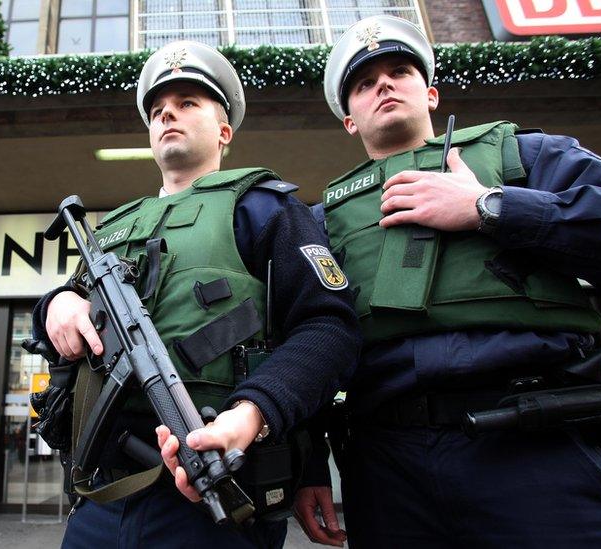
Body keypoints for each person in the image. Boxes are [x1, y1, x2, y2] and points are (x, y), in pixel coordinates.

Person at [305, 15, 601, 548]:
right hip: (387, 468)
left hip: (534, 445)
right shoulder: (322, 219)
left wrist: (492, 207)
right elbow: (309, 340)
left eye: (399, 71)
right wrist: (309, 466)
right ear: (350, 120)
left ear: (432, 93)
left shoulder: (521, 154)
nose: (384, 86)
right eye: (364, 84)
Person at [30, 40, 360, 548]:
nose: (168, 116)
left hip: (215, 490)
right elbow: (70, 334)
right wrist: (55, 305)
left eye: (187, 104)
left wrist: (253, 413)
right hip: (101, 494)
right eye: (158, 111)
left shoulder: (262, 207)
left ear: (224, 130)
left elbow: (328, 328)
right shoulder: (112, 228)